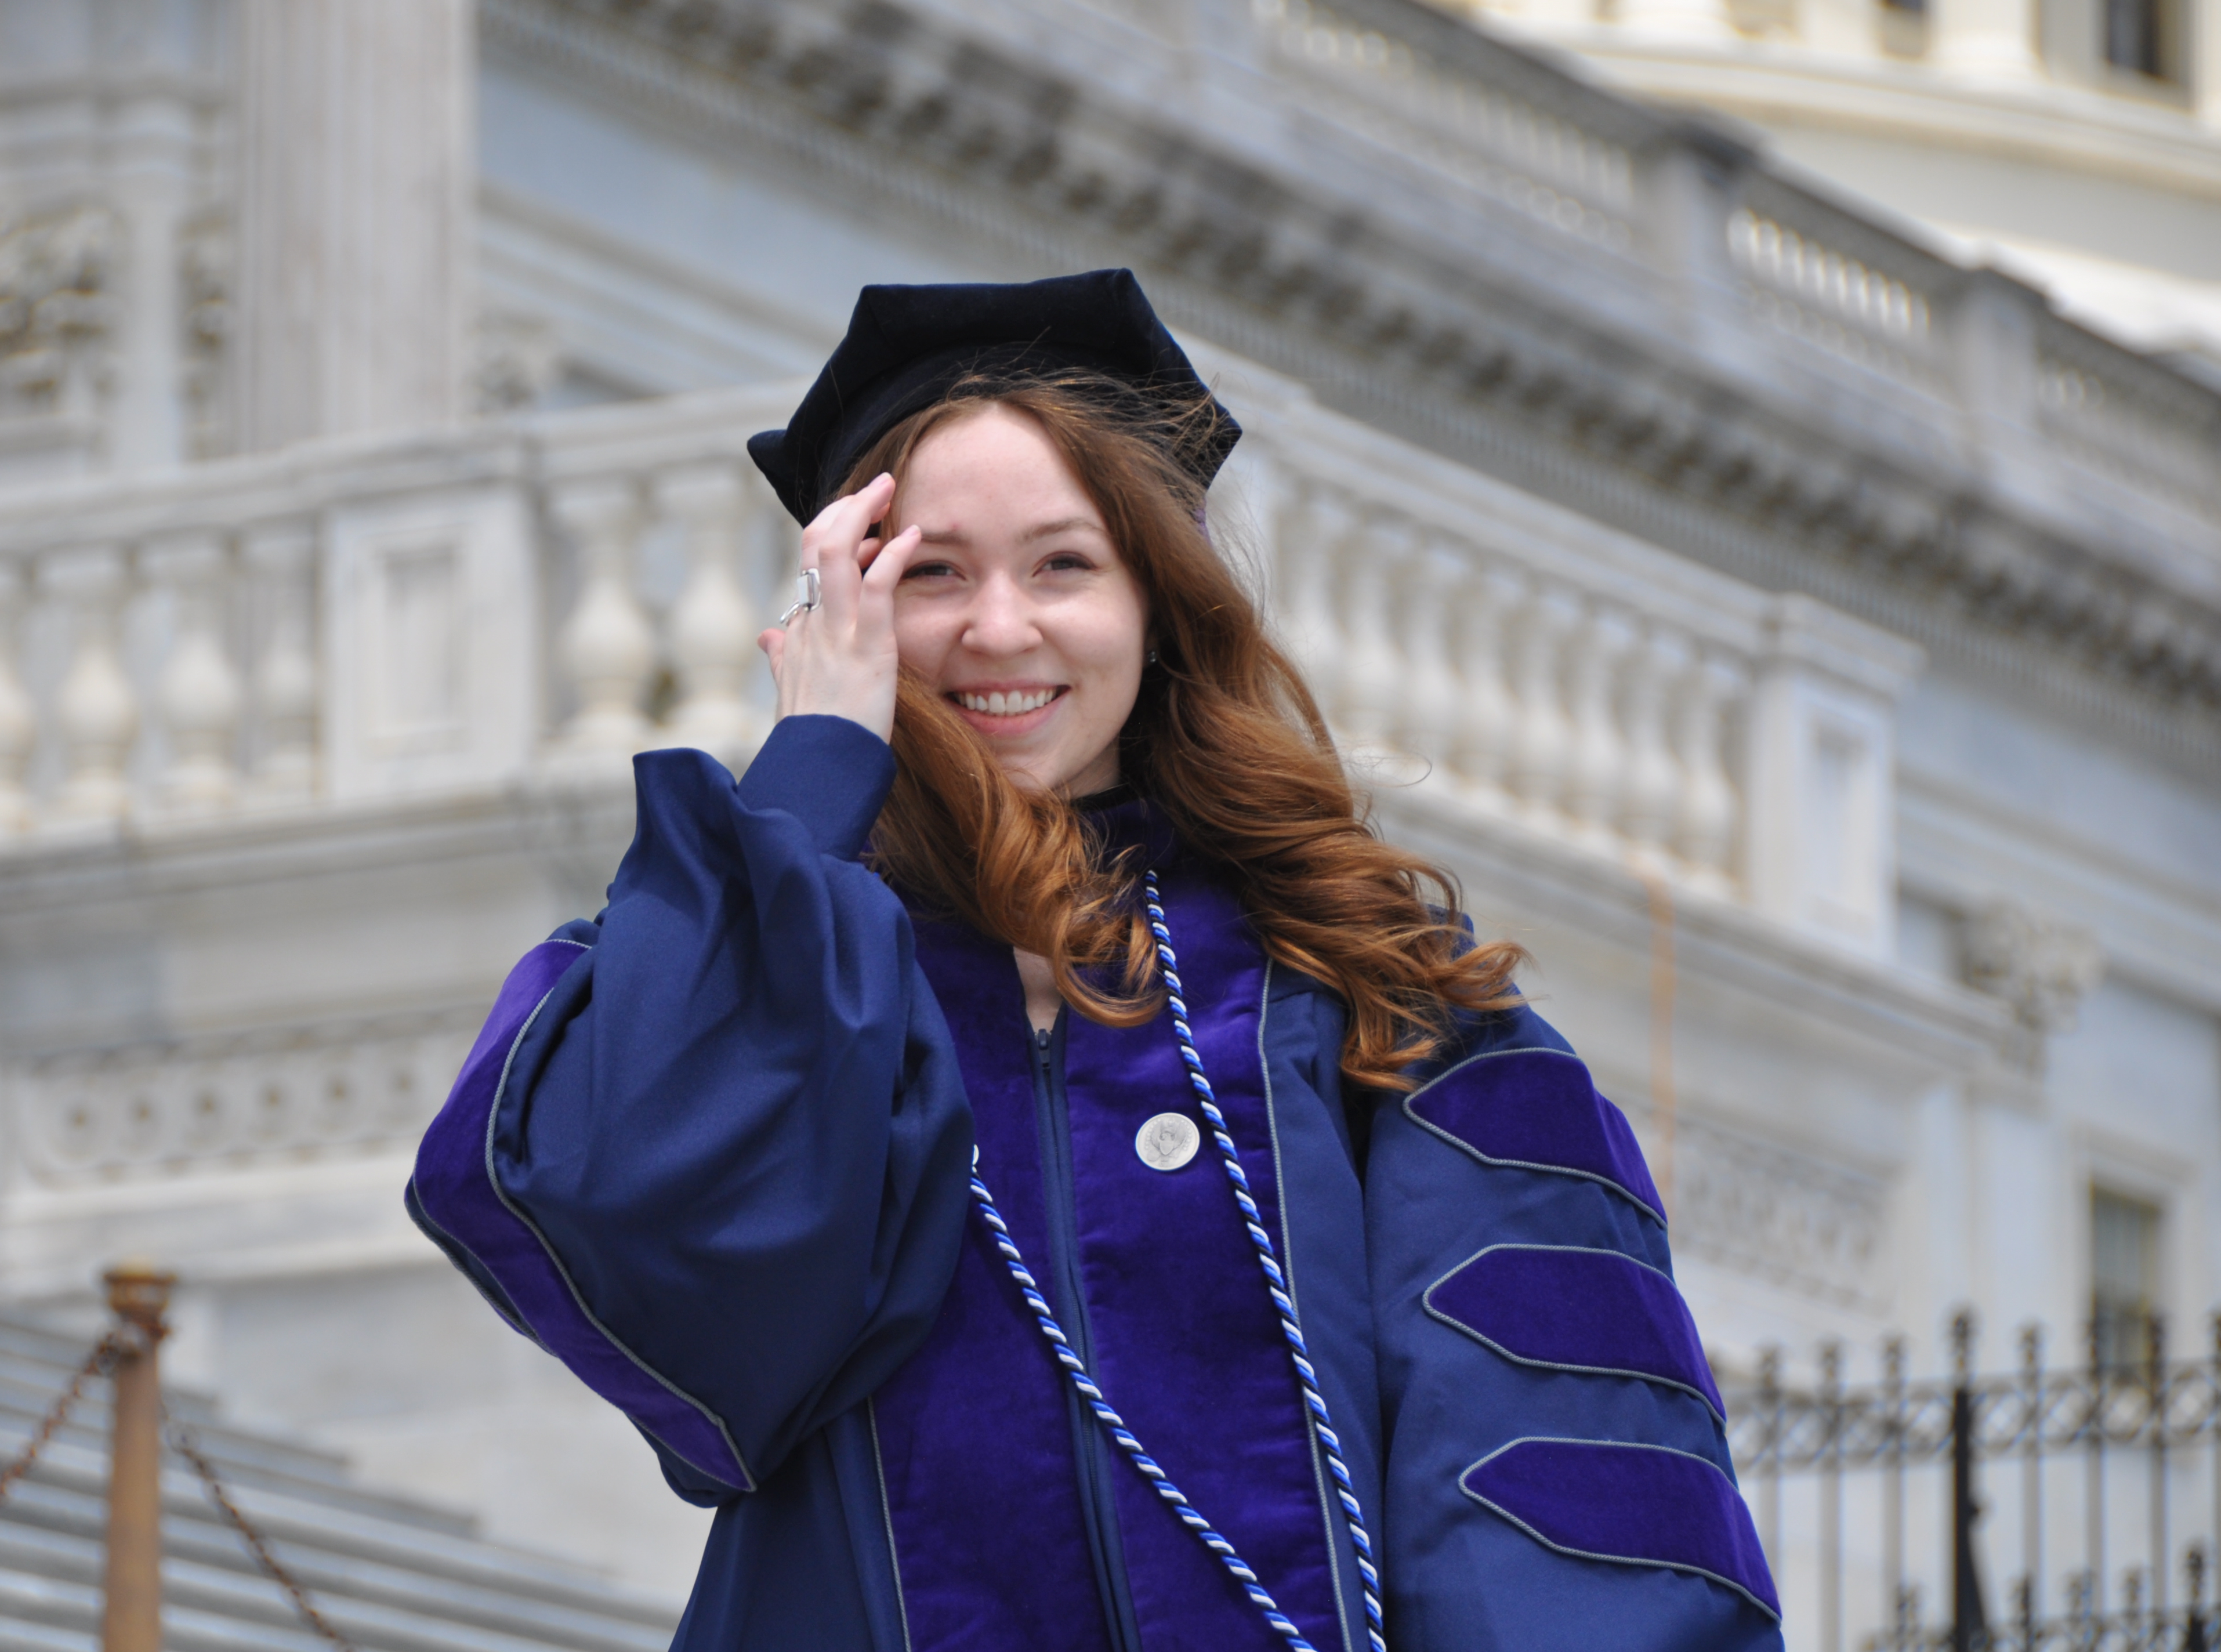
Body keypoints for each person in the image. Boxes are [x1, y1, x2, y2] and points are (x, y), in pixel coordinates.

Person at [407, 270, 1781, 1652]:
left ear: (1153, 603)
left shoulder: (1367, 982)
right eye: (930, 572)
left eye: (1062, 565)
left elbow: (1554, 1500)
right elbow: (582, 1191)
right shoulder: (785, 963)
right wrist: (815, 760)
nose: (998, 630)